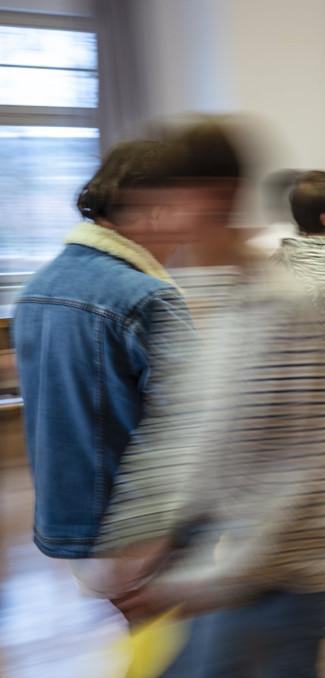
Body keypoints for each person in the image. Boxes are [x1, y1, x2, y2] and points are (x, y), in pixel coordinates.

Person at [103, 153, 325, 678]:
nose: (158, 225)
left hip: (285, 568)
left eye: (161, 207)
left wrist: (189, 566)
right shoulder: (292, 284)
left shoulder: (276, 272)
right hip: (279, 559)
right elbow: (220, 436)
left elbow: (281, 470)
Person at [12, 139, 196, 599]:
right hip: (139, 534)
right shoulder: (148, 298)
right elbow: (193, 427)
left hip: (70, 527)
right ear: (157, 211)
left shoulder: (36, 288)